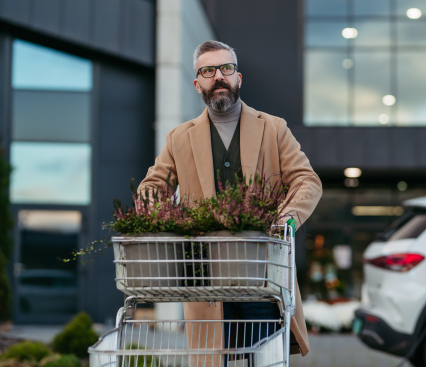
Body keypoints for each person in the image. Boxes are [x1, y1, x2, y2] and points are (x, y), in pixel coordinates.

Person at [138, 40, 322, 362]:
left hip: (263, 277)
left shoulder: (275, 128)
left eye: (227, 68)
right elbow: (152, 186)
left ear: (239, 78)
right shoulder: (179, 137)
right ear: (197, 84)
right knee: (212, 359)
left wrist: (287, 219)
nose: (219, 76)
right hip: (206, 284)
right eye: (208, 71)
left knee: (265, 360)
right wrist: (165, 218)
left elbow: (307, 181)